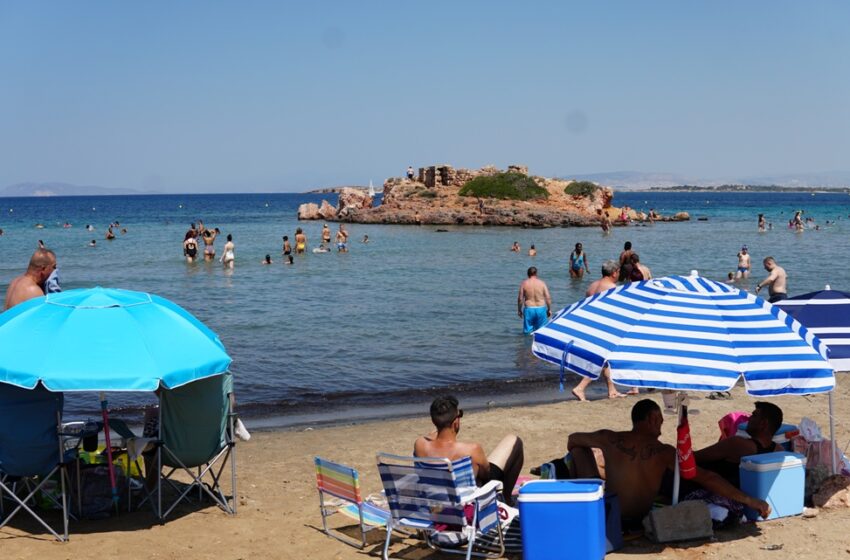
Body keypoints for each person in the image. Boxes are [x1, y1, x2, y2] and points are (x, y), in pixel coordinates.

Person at [566, 399, 770, 521]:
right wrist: (749, 500)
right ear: (652, 419)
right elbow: (707, 477)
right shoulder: (664, 452)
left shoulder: (608, 438)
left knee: (579, 452)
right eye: (661, 422)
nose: (661, 428)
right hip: (638, 518)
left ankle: (584, 496)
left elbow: (573, 439)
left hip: (608, 514)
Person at [414, 395, 524, 504]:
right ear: (456, 422)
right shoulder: (471, 450)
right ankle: (507, 499)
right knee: (515, 441)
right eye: (460, 414)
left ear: (434, 421)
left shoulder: (420, 445)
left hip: (436, 505)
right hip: (467, 506)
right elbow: (486, 475)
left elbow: (432, 436)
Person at [572, 260, 638, 401]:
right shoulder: (612, 288)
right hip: (605, 329)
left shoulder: (592, 286)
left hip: (591, 326)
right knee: (601, 360)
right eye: (618, 272)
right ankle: (580, 387)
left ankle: (612, 390)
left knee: (605, 360)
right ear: (614, 273)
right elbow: (618, 311)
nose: (619, 274)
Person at [694, 402, 783, 489]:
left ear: (763, 424)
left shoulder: (737, 444)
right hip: (747, 493)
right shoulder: (779, 450)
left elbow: (695, 457)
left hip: (717, 491)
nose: (749, 419)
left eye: (754, 415)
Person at [517, 266, 551, 335]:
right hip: (541, 309)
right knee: (541, 332)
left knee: (527, 333)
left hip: (529, 310)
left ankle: (527, 342)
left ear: (528, 274)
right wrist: (549, 309)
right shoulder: (542, 283)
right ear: (536, 273)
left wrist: (519, 310)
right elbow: (548, 297)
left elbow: (520, 298)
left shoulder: (524, 283)